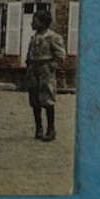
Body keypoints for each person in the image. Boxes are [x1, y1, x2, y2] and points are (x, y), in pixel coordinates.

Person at [25, 8, 67, 142]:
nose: (32, 23)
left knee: (48, 99)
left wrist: (50, 67)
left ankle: (51, 129)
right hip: (33, 70)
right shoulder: (34, 37)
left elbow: (60, 56)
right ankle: (39, 129)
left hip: (45, 70)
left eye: (35, 21)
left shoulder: (53, 37)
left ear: (43, 23)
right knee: (34, 100)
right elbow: (29, 53)